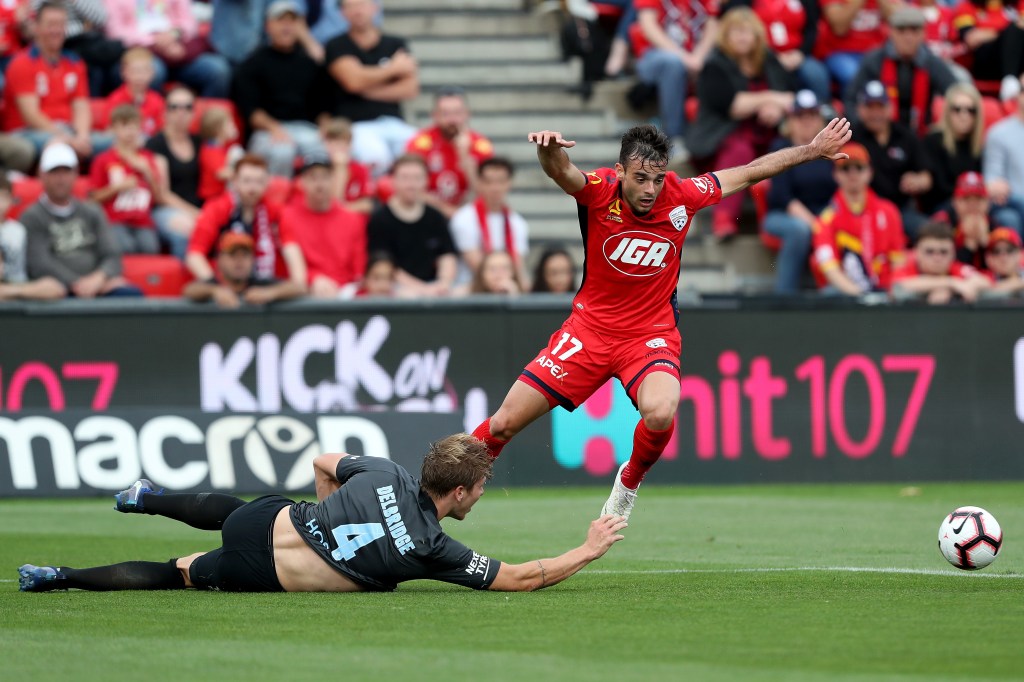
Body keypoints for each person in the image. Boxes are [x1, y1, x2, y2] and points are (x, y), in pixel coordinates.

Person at [470, 118, 851, 521]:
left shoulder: (682, 194)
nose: (650, 189)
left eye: (657, 179)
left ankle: (628, 482)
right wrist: (547, 150)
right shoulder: (599, 191)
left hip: (650, 336)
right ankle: (441, 494)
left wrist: (812, 150)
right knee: (504, 423)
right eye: (640, 179)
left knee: (661, 410)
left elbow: (750, 171)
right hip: (588, 332)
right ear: (620, 172)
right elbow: (561, 170)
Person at [17, 434, 627, 593]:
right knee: (176, 572)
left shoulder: (386, 472)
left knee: (235, 511)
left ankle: (142, 498)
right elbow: (517, 578)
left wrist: (327, 513)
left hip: (270, 523)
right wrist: (589, 548)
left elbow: (323, 460)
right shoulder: (432, 548)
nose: (484, 494)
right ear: (461, 493)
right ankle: (57, 577)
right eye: (483, 487)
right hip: (266, 573)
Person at [687, 7, 795, 241]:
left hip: (766, 134)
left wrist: (776, 108)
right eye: (735, 32)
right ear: (725, 36)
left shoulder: (768, 59)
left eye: (746, 32)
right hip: (720, 138)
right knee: (740, 150)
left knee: (787, 149)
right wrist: (769, 99)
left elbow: (788, 96)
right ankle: (723, 219)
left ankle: (782, 221)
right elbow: (733, 105)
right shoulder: (715, 64)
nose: (742, 37)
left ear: (757, 36)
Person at [22, 143, 141, 298]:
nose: (61, 178)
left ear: (76, 173)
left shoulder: (92, 211)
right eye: (54, 172)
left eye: (66, 171)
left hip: (98, 285)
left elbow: (112, 254)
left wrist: (99, 278)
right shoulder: (32, 217)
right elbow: (39, 263)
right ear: (42, 175)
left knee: (131, 294)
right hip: (59, 291)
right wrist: (79, 283)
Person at [324, 0, 418, 176]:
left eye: (362, 4)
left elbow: (410, 89)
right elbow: (353, 81)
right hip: (356, 124)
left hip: (394, 121)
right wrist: (393, 68)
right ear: (342, 13)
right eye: (351, 6)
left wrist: (365, 88)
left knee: (417, 151)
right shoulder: (336, 45)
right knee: (376, 156)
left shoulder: (396, 43)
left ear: (375, 7)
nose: (358, 11)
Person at [235, 0, 325, 178]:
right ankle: (277, 195)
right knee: (282, 151)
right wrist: (274, 128)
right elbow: (250, 111)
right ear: (268, 25)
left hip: (304, 128)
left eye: (291, 21)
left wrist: (326, 128)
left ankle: (315, 196)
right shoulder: (253, 63)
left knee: (321, 149)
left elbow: (324, 105)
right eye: (280, 21)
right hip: (266, 131)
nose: (286, 27)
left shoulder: (309, 63)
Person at [187, 154, 307, 286]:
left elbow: (291, 248)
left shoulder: (276, 212)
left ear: (267, 182)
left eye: (259, 181)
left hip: (265, 285)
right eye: (247, 180)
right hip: (224, 284)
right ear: (235, 181)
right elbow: (195, 255)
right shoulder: (217, 209)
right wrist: (216, 288)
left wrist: (298, 284)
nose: (252, 188)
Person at [1, 1, 102, 156]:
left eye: (61, 25)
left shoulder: (74, 62)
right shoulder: (22, 63)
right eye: (51, 24)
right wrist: (67, 138)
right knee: (57, 146)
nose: (56, 30)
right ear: (36, 27)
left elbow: (81, 106)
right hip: (29, 132)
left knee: (114, 143)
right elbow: (31, 115)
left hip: (68, 130)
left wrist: (82, 136)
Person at [763, 90, 838, 294]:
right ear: (790, 120)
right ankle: (784, 296)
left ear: (820, 119)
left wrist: (827, 221)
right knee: (799, 230)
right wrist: (817, 225)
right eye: (800, 115)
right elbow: (784, 197)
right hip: (782, 214)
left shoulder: (830, 150)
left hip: (824, 212)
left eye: (812, 114)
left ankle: (838, 292)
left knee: (843, 222)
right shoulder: (780, 147)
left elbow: (838, 191)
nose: (807, 120)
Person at [811, 141, 906, 297]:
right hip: (847, 294)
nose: (853, 173)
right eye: (845, 168)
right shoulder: (825, 219)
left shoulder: (889, 212)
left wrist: (889, 295)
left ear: (870, 172)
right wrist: (862, 297)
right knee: (830, 293)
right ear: (836, 174)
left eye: (859, 167)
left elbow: (898, 261)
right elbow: (830, 269)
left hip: (886, 292)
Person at [844, 6, 957, 136]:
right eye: (901, 30)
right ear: (891, 32)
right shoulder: (874, 61)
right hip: (879, 135)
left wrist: (941, 128)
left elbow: (957, 93)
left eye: (914, 30)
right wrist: (864, 130)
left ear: (923, 34)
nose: (908, 37)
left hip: (921, 135)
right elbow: (851, 100)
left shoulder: (932, 63)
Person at [629, 0, 719, 161]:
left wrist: (698, 57)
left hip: (696, 53)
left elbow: (712, 25)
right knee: (673, 64)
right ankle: (674, 137)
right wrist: (686, 58)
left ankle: (715, 136)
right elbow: (648, 27)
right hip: (654, 54)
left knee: (719, 60)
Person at [367, 154, 457, 297]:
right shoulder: (380, 219)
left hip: (434, 286)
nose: (411, 184)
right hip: (395, 288)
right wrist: (423, 290)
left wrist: (444, 283)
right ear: (393, 180)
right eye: (405, 178)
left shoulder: (435, 217)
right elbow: (385, 266)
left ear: (426, 181)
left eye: (417, 178)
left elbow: (447, 255)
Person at [851, 79, 931, 239]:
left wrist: (918, 180)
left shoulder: (906, 136)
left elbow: (927, 176)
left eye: (880, 106)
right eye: (870, 107)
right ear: (860, 109)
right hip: (862, 209)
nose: (875, 113)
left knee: (930, 232)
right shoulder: (851, 137)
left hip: (902, 209)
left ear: (890, 108)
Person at [281, 152, 367, 298]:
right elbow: (290, 265)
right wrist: (313, 279)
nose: (319, 184)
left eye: (325, 177)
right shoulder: (288, 215)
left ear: (333, 179)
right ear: (302, 182)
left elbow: (359, 269)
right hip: (307, 291)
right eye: (313, 178)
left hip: (346, 292)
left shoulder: (353, 219)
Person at [103, 0, 231, 98]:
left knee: (218, 70)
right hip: (140, 50)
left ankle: (207, 121)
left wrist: (173, 35)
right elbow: (115, 31)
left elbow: (190, 22)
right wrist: (154, 40)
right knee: (152, 72)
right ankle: (153, 119)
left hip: (178, 49)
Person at [405, 87, 494, 219]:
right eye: (445, 114)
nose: (452, 120)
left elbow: (487, 194)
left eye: (457, 113)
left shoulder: (481, 146)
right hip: (428, 213)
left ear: (467, 114)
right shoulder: (420, 143)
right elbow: (409, 188)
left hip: (467, 214)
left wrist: (465, 158)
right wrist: (446, 210)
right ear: (434, 115)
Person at [89, 105, 162, 254]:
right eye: (124, 125)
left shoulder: (147, 158)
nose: (130, 131)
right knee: (125, 247)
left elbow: (158, 197)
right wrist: (118, 188)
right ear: (113, 129)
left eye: (135, 126)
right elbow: (93, 197)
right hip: (115, 221)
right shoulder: (103, 160)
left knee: (150, 248)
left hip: (143, 222)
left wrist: (147, 172)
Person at [448, 157, 530, 288]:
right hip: (471, 289)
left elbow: (518, 266)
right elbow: (478, 267)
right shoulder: (463, 218)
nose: (495, 188)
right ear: (479, 183)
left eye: (501, 181)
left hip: (506, 287)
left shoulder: (517, 223)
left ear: (509, 183)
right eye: (489, 182)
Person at [146, 86, 203, 260]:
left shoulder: (199, 141)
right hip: (165, 210)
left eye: (187, 107)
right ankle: (186, 275)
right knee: (186, 227)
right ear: (165, 112)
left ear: (194, 112)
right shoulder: (156, 144)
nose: (181, 112)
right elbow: (162, 195)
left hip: (198, 208)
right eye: (174, 107)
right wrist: (197, 214)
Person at [183, 231, 305, 308]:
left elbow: (299, 288)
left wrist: (269, 293)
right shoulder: (215, 283)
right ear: (220, 260)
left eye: (245, 256)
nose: (239, 261)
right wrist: (215, 291)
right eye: (233, 255)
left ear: (252, 260)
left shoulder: (258, 283)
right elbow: (190, 290)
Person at [920, 82, 983, 217]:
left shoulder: (978, 146)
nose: (964, 115)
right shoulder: (933, 140)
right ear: (948, 112)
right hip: (942, 208)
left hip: (973, 206)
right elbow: (939, 188)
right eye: (957, 109)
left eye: (970, 110)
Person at [890, 220, 990, 303]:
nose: (937, 258)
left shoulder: (956, 268)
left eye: (944, 252)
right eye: (929, 251)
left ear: (953, 253)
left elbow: (984, 281)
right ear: (916, 252)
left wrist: (948, 290)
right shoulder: (906, 268)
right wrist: (951, 283)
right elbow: (899, 285)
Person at [0, 174, 65, 301]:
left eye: (4, 196)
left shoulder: (18, 230)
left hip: (17, 285)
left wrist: (15, 290)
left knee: (52, 286)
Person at [950, 0, 1024, 102]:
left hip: (1017, 62)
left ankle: (1010, 80)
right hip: (984, 63)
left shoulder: (1017, 4)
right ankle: (1010, 80)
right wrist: (1005, 34)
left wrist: (988, 34)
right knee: (1014, 32)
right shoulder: (967, 6)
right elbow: (971, 39)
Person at [816, 0, 893, 91]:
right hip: (840, 52)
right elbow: (840, 29)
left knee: (894, 73)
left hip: (875, 52)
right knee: (855, 77)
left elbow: (899, 20)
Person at [983, 78, 1024, 238]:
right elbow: (992, 179)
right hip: (1013, 202)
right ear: (1017, 94)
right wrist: (996, 186)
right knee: (1009, 218)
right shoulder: (999, 133)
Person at [105, 47, 165, 139]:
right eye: (134, 71)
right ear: (123, 72)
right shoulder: (116, 99)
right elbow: (109, 130)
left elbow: (162, 130)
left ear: (152, 73)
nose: (139, 76)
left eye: (144, 71)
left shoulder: (157, 101)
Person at [321, 117, 375, 214]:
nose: (337, 148)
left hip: (351, 218)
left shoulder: (360, 169)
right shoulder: (320, 169)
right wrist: (340, 169)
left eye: (341, 143)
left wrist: (344, 209)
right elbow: (334, 201)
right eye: (332, 143)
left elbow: (367, 204)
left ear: (350, 145)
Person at [197, 107, 243, 202]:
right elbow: (222, 173)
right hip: (212, 197)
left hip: (220, 195)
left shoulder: (220, 148)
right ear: (218, 129)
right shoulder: (211, 149)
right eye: (230, 124)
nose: (234, 127)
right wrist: (243, 173)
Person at [455, 250, 522, 296]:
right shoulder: (466, 294)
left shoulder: (523, 294)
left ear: (513, 272)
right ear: (482, 274)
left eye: (504, 268)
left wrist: (514, 296)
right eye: (493, 269)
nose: (498, 274)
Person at [982, 227, 1024, 297]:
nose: (1003, 257)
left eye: (1009, 250)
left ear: (1019, 254)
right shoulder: (985, 277)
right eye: (996, 251)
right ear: (988, 258)